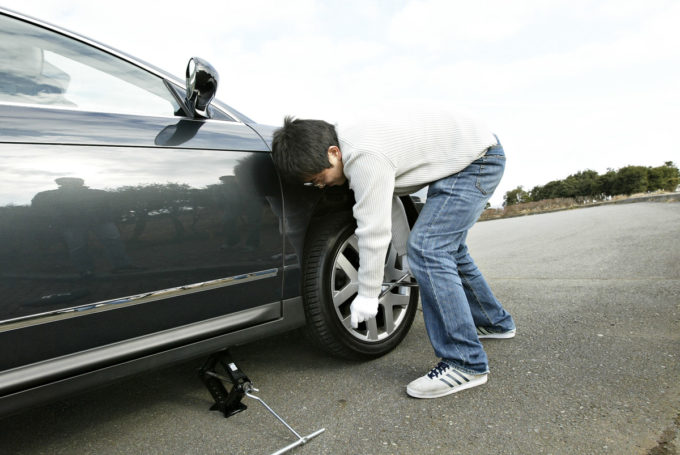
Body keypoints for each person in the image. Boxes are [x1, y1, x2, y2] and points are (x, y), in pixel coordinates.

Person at [271, 107, 516, 399]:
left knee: (429, 248)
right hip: (471, 155)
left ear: (333, 152)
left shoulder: (363, 155)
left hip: (478, 160)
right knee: (444, 250)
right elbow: (389, 204)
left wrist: (368, 294)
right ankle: (494, 321)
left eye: (318, 176)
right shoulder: (354, 146)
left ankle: (465, 362)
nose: (319, 184)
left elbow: (372, 231)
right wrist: (405, 256)